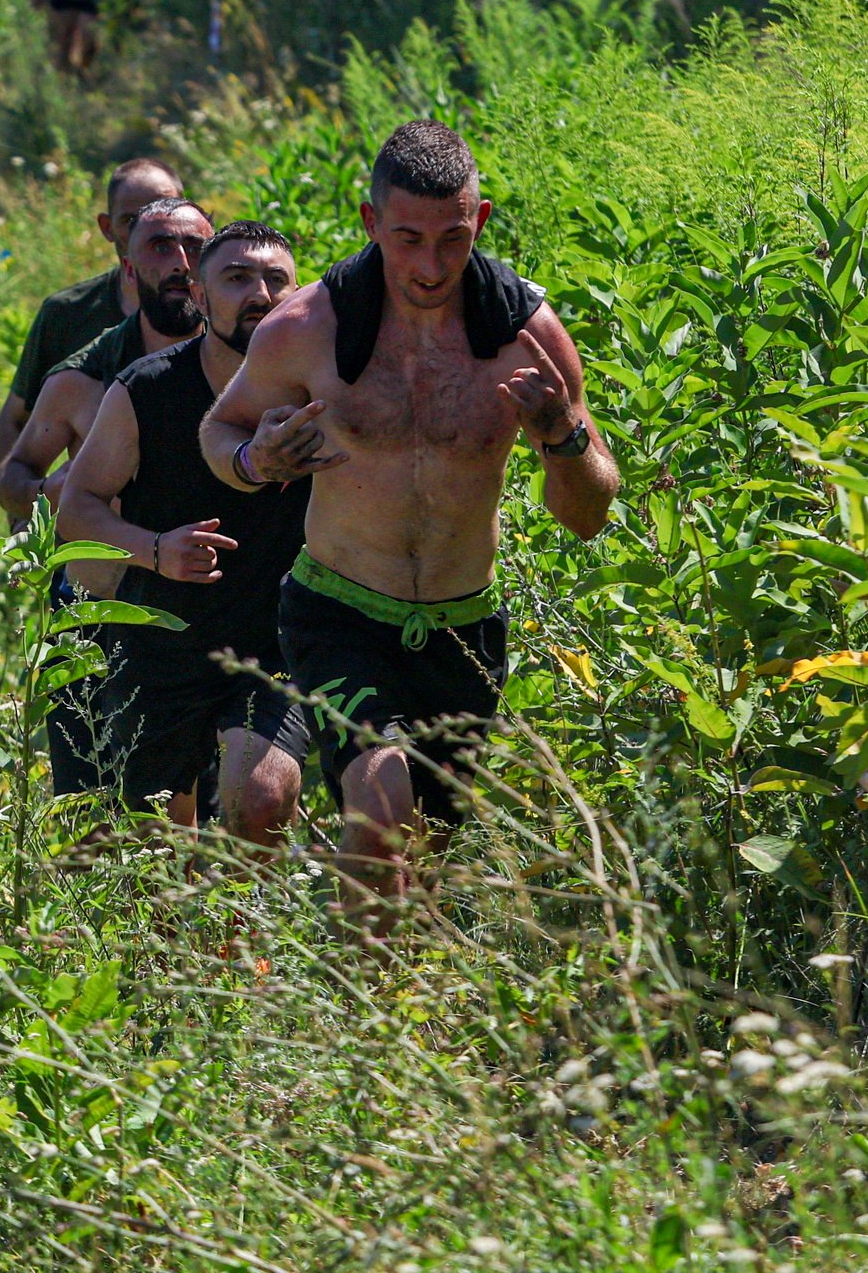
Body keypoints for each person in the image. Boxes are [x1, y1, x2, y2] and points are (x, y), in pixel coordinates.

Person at [199, 120, 618, 918]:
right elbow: (219, 432)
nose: (430, 266)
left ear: (482, 222)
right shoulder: (309, 329)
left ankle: (382, 1002)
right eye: (407, 239)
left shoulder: (526, 338)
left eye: (453, 240)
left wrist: (563, 436)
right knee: (382, 808)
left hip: (465, 631)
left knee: (422, 862)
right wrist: (259, 462)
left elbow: (589, 514)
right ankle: (368, 1030)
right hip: (339, 613)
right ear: (369, 224)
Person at [59, 222, 308, 835]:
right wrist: (155, 549)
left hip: (273, 648)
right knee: (158, 849)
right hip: (161, 646)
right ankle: (186, 932)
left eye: (277, 280)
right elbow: (76, 507)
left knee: (263, 797)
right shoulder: (147, 389)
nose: (260, 294)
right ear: (198, 295)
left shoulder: (319, 388)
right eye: (237, 278)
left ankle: (252, 931)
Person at [1, 196, 213, 798]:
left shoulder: (244, 371)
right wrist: (51, 490)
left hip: (208, 615)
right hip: (95, 619)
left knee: (210, 815)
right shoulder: (80, 380)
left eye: (194, 247)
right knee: (91, 809)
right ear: (127, 270)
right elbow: (12, 476)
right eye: (159, 247)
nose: (180, 262)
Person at [0, 156, 181, 471]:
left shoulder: (218, 306)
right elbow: (13, 420)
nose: (151, 231)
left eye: (164, 215)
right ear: (107, 228)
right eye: (132, 220)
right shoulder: (68, 313)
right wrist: (23, 512)